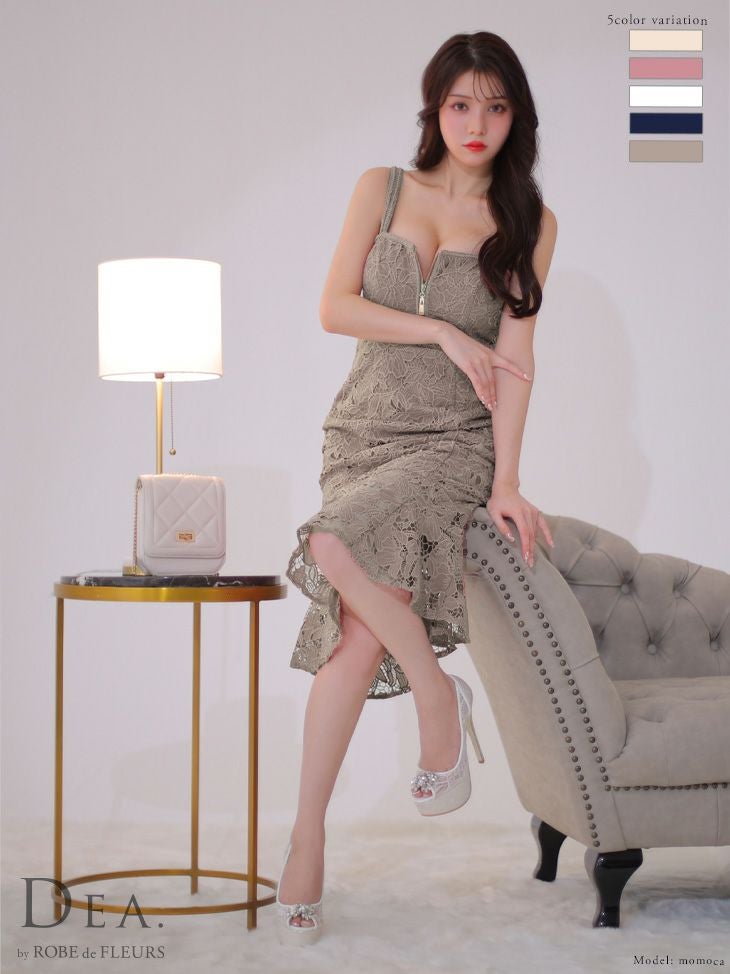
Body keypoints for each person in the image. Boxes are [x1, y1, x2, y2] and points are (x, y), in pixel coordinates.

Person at [277, 29, 557, 944]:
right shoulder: (383, 188)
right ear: (435, 108)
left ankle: (324, 821)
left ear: (516, 116)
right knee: (359, 635)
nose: (477, 123)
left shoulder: (530, 223)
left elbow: (515, 362)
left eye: (496, 107)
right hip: (360, 435)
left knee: (329, 543)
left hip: (450, 445)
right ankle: (335, 807)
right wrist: (441, 330)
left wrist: (507, 478)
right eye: (461, 104)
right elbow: (335, 307)